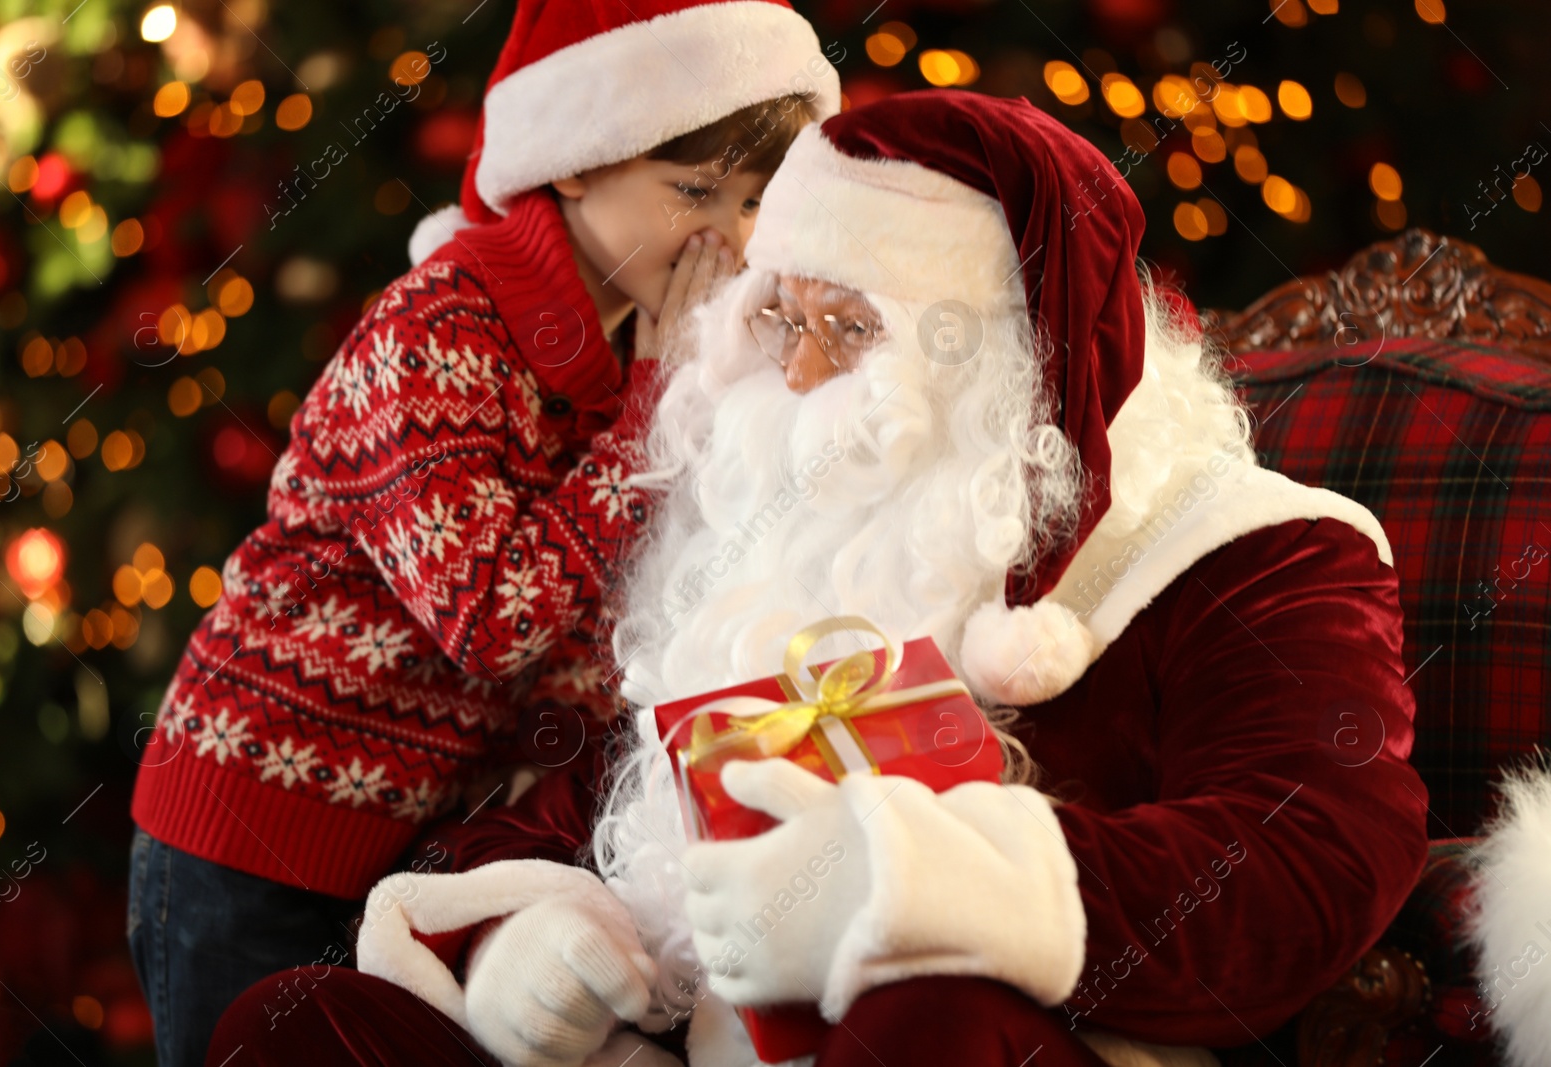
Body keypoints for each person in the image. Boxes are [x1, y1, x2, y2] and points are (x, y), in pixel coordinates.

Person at [210, 90, 1430, 1067]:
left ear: (1004, 351)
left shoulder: (1244, 551)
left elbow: (1312, 850)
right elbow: (583, 801)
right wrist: (529, 934)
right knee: (292, 1022)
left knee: (925, 1026)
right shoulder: (769, 540)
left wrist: (921, 885)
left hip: (1009, 1038)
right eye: (773, 316)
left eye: (846, 329)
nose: (791, 377)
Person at [125, 0, 839, 1062]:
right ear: (577, 163)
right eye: (691, 190)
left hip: (410, 853)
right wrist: (652, 409)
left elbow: (595, 641)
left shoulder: (642, 351)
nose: (725, 238)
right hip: (255, 838)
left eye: (748, 202)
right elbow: (492, 616)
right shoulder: (440, 327)